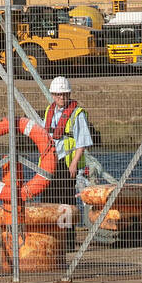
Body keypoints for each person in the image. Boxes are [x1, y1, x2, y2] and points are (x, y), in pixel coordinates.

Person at [43, 75, 94, 248]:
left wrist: (74, 164)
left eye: (65, 94)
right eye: (58, 95)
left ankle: (68, 241)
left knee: (67, 202)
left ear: (69, 94)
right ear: (53, 95)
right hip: (51, 162)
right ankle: (51, 237)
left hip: (67, 162)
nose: (62, 98)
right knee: (49, 199)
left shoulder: (76, 114)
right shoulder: (49, 111)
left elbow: (83, 141)